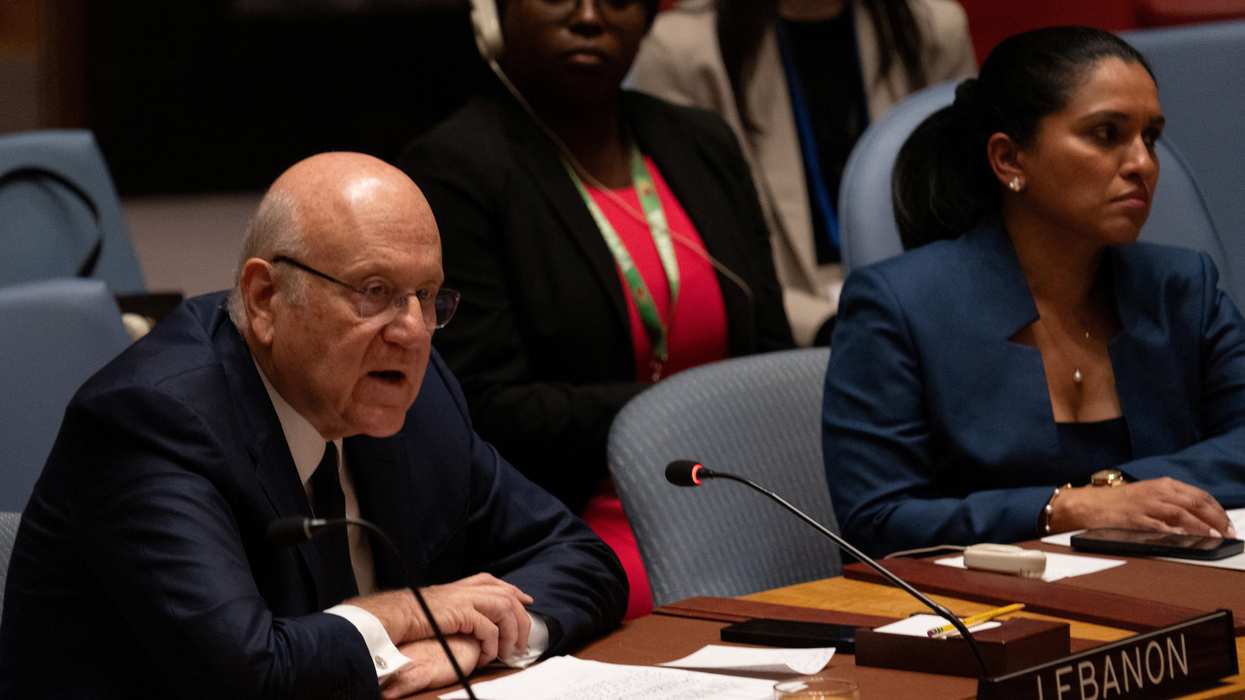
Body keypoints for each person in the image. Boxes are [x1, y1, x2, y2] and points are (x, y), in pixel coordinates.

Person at [0, 153, 627, 698]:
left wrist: (469, 644)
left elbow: (580, 558)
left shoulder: (415, 393)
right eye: (374, 290)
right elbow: (248, 672)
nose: (412, 332)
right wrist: (416, 613)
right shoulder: (152, 422)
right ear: (265, 298)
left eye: (427, 295)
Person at [399, 0, 793, 619]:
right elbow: (488, 407)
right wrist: (682, 410)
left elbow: (772, 350)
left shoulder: (702, 141)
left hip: (742, 493)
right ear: (496, 13)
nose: (589, 16)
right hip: (580, 520)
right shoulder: (455, 169)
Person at [823, 27, 1245, 557]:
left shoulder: (1183, 288)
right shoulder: (898, 306)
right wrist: (1060, 509)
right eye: (1107, 134)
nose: (1142, 163)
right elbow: (875, 518)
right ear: (1009, 160)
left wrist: (1117, 490)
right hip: (980, 599)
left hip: (1166, 580)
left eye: (1151, 138)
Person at [627, 0, 976, 346]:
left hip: (922, 313)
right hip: (781, 328)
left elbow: (970, 218)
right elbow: (700, 253)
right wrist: (821, 323)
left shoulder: (933, 29)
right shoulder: (681, 50)